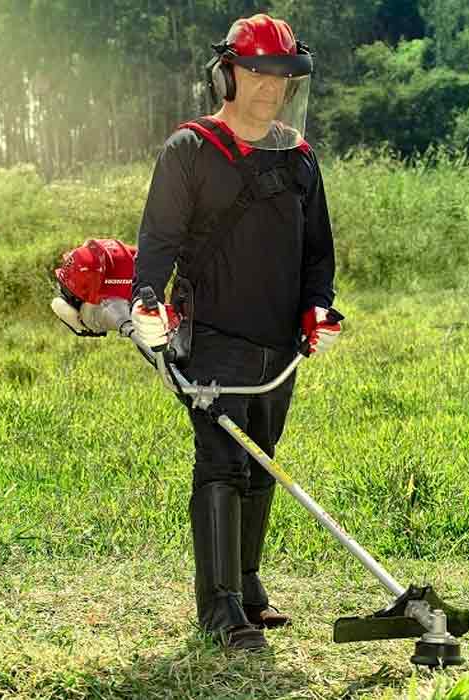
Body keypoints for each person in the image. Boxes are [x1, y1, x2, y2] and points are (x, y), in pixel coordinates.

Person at [129, 13, 341, 651]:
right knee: (222, 463)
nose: (269, 87)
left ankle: (247, 587)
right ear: (227, 74)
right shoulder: (191, 149)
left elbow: (318, 254)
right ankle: (219, 610)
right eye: (256, 71)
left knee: (261, 461)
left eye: (281, 75)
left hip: (280, 342)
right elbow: (159, 243)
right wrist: (146, 302)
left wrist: (318, 309)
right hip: (214, 336)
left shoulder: (300, 158)